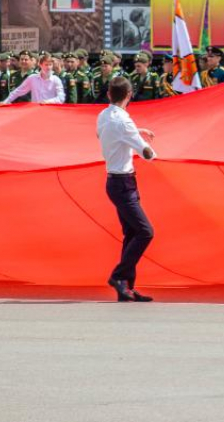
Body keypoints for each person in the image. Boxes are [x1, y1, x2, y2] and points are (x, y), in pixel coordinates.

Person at [96, 76, 156, 303]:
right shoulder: (123, 122)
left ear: (110, 94)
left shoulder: (103, 115)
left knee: (131, 233)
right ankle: (119, 276)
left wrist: (134, 131)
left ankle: (126, 288)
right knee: (145, 232)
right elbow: (147, 154)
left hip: (117, 181)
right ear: (129, 95)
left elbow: (105, 134)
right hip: (123, 183)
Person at [1, 52, 65, 105]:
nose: (48, 67)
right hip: (35, 111)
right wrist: (6, 101)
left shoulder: (56, 80)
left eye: (50, 65)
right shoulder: (32, 78)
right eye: (46, 65)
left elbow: (61, 98)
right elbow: (18, 91)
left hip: (51, 111)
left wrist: (48, 102)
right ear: (40, 65)